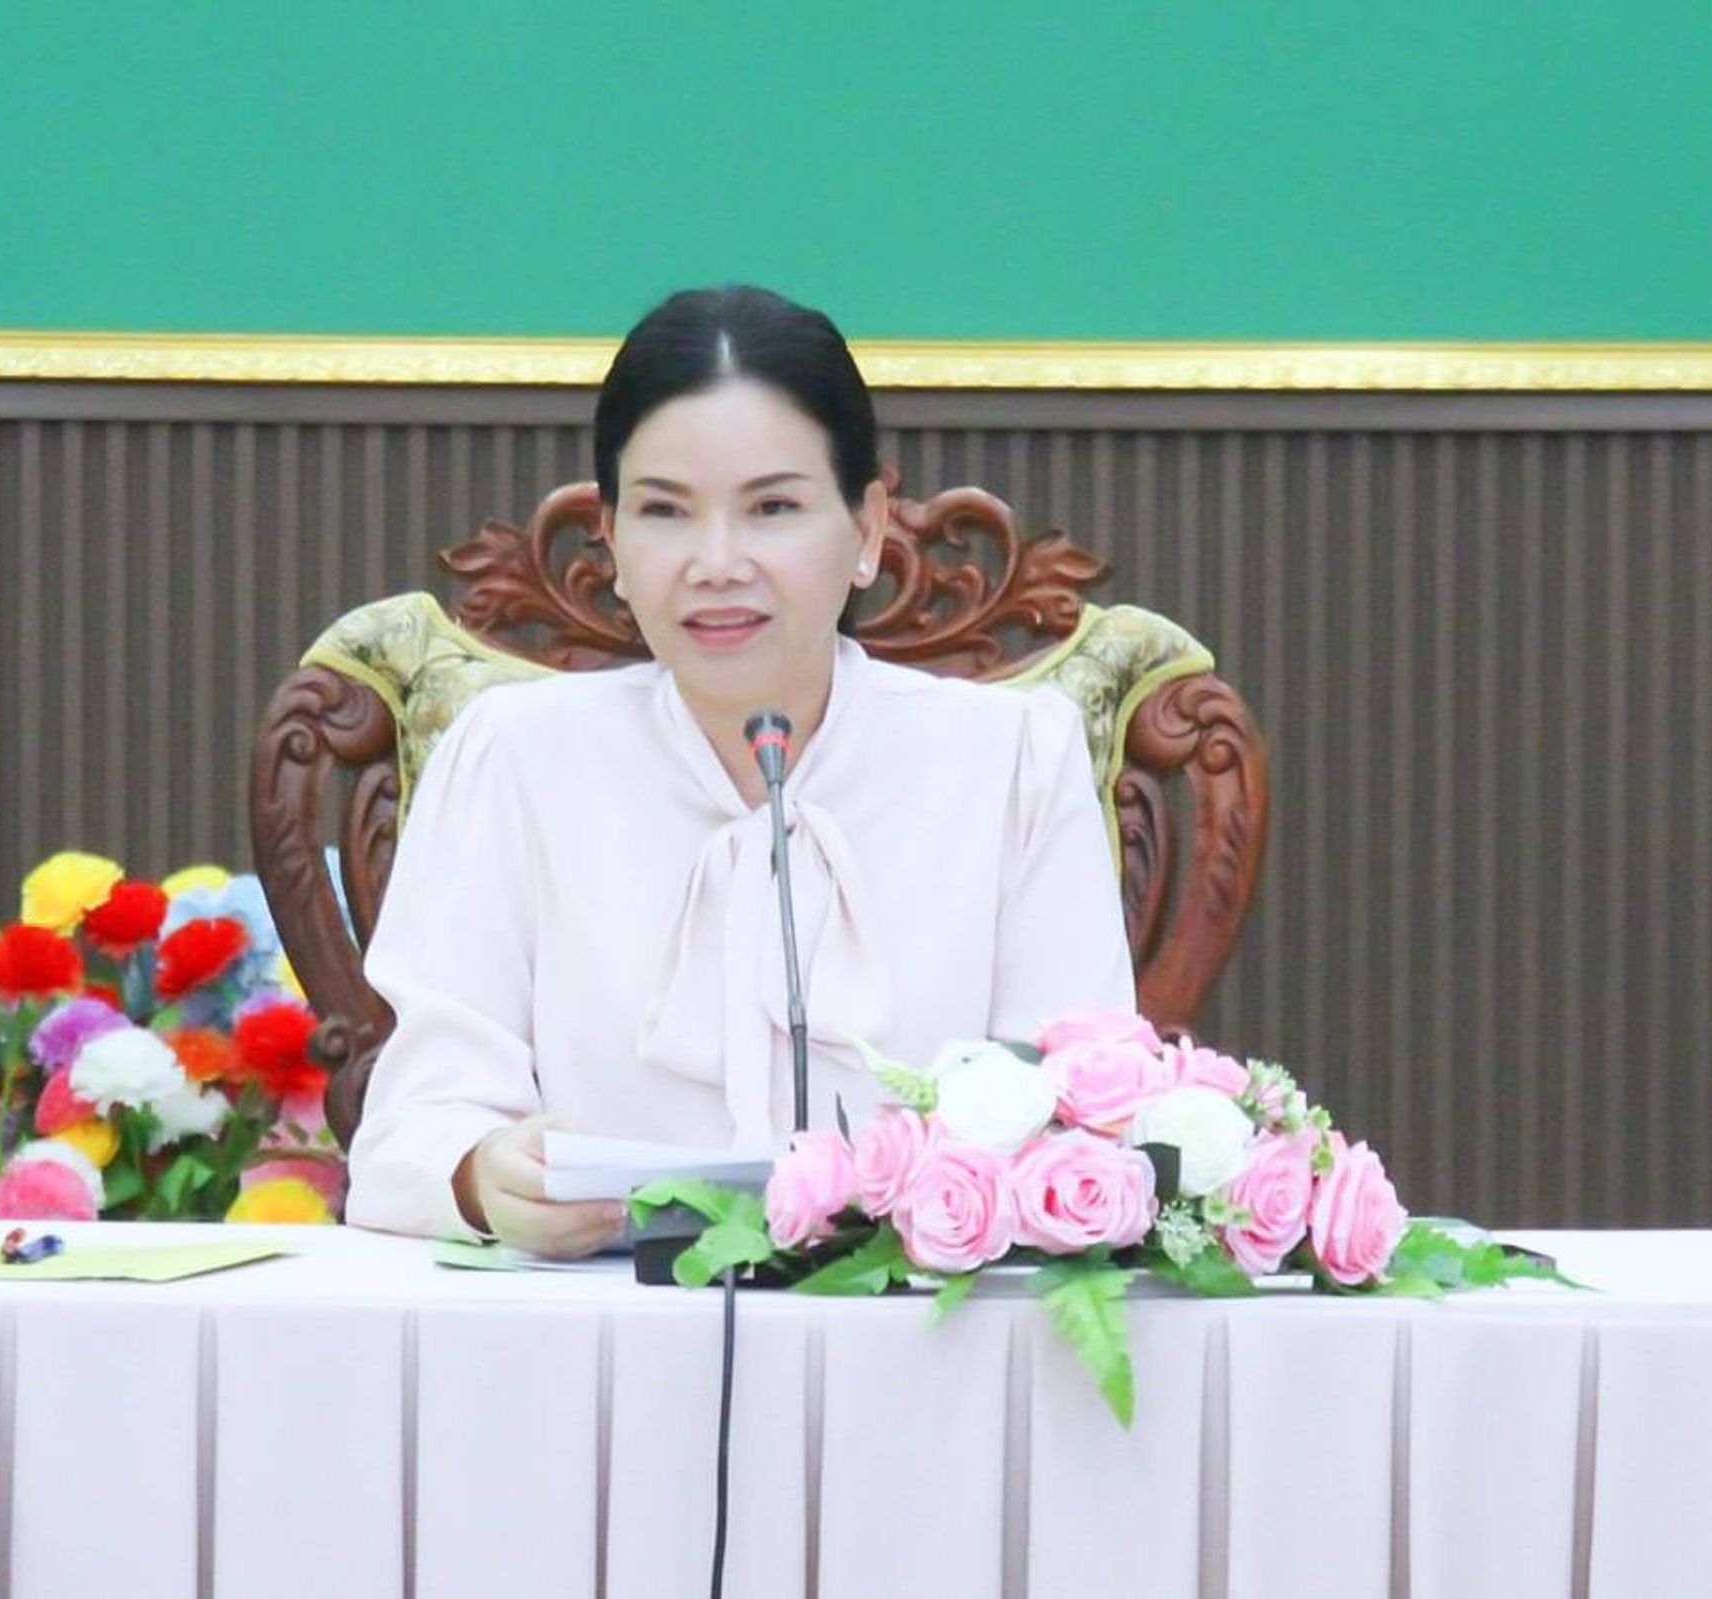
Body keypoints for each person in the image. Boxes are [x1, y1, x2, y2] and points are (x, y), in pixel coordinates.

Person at [343, 285, 1135, 1256]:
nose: (716, 563)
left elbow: (1083, 1125)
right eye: (665, 511)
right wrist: (482, 1174)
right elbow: (410, 1133)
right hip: (593, 1324)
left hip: (927, 1327)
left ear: (868, 529)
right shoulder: (514, 757)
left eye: (773, 508)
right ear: (612, 539)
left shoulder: (1012, 764)